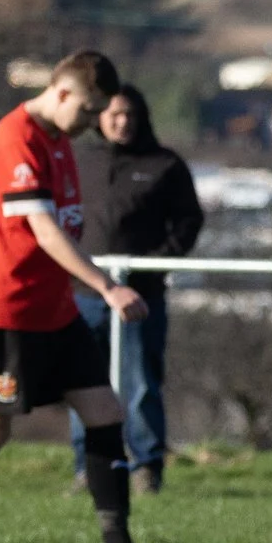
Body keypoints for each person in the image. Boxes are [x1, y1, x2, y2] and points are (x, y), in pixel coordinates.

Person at [0, 50, 180, 543]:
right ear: (63, 93)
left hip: (56, 310)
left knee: (105, 413)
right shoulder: (15, 139)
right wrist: (107, 287)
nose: (94, 124)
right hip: (9, 313)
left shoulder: (59, 140)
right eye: (90, 111)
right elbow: (45, 232)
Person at [70, 83, 203, 495]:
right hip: (83, 294)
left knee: (141, 382)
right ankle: (88, 467)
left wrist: (155, 262)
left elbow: (188, 223)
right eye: (113, 114)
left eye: (129, 114)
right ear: (98, 119)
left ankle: (147, 466)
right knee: (83, 383)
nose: (121, 122)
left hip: (141, 296)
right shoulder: (79, 160)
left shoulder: (164, 164)